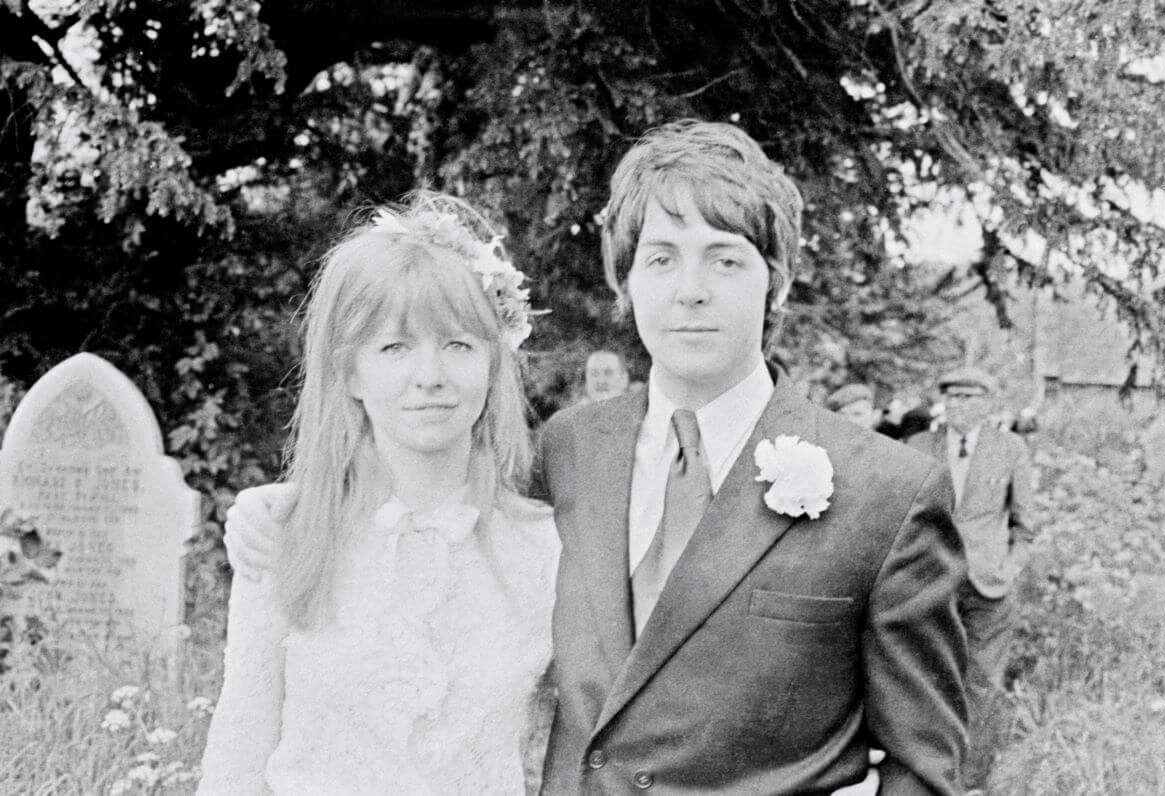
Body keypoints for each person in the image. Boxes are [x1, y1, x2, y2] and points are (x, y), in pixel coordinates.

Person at [225, 121, 968, 794]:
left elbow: (924, 769)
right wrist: (271, 508)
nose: (691, 292)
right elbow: (427, 501)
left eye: (726, 261)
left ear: (777, 279)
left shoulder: (887, 494)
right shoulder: (568, 450)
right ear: (626, 279)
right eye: (662, 259)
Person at [198, 193, 559, 794]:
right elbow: (238, 756)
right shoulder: (284, 532)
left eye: (458, 345)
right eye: (394, 348)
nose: (429, 376)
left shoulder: (545, 547)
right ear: (350, 372)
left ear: (494, 364)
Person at [906, 365, 1036, 792]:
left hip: (989, 586)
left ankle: (971, 781)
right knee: (926, 679)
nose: (959, 406)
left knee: (981, 684)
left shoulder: (1010, 448)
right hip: (930, 583)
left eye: (969, 398)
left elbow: (1024, 524)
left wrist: (1009, 568)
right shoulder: (918, 445)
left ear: (987, 404)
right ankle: (926, 775)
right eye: (953, 397)